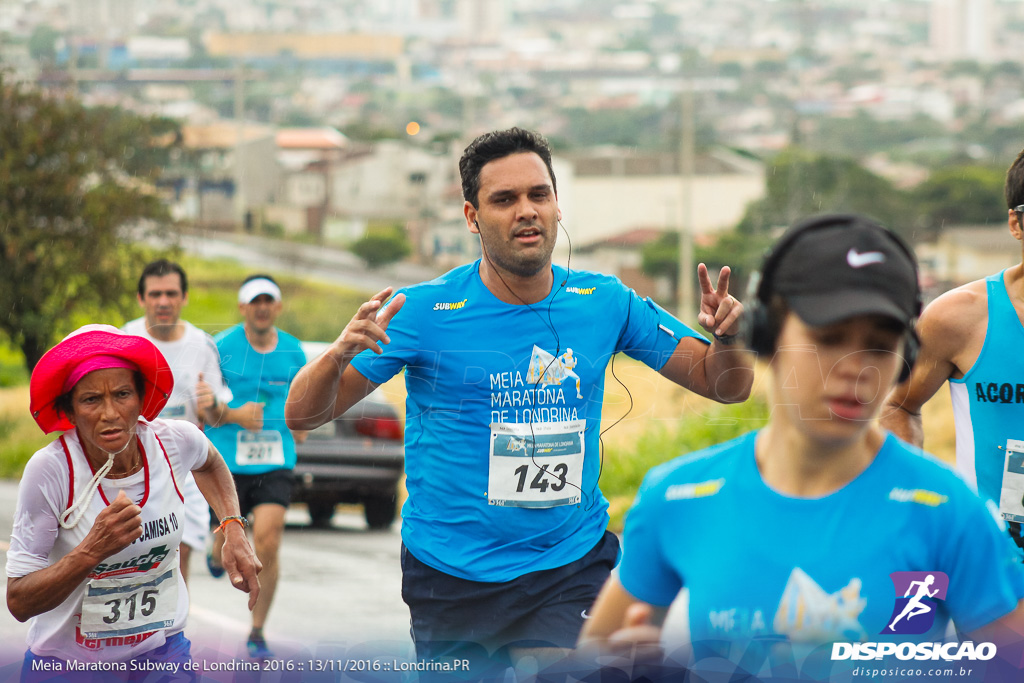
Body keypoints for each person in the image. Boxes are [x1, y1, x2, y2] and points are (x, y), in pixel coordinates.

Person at [285, 127, 754, 677]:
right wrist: (337, 355)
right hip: (450, 571)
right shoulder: (421, 311)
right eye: (504, 200)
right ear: (471, 216)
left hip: (567, 564)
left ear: (557, 203)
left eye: (539, 194)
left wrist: (727, 341)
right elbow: (302, 414)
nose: (526, 211)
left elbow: (725, 385)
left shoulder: (604, 302)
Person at [578, 214, 1024, 679]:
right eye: (828, 339)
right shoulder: (678, 499)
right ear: (768, 337)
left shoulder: (948, 511)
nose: (855, 367)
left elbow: (1007, 667)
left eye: (878, 345)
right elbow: (595, 661)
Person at [7, 325, 260, 679]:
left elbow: (211, 463)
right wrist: (91, 551)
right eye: (91, 399)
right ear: (70, 409)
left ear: (142, 397)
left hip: (160, 653)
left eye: (123, 394)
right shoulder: (51, 470)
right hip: (68, 666)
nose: (110, 413)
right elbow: (19, 601)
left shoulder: (175, 442)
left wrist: (233, 528)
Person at [882, 148, 1024, 559]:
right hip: (991, 564)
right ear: (1015, 223)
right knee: (909, 624)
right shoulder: (958, 317)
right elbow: (898, 405)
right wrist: (914, 502)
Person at [205, 274, 307, 660]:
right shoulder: (221, 348)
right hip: (226, 462)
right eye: (255, 301)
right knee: (224, 542)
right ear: (243, 307)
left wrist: (302, 427)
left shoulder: (294, 351)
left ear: (277, 307)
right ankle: (216, 554)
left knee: (270, 538)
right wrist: (234, 414)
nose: (262, 307)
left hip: (276, 458)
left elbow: (305, 400)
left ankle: (258, 630)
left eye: (269, 301)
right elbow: (207, 410)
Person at [122, 259, 237, 585]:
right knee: (138, 556)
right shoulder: (126, 339)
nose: (163, 301)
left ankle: (174, 631)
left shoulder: (201, 344)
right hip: (134, 464)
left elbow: (217, 415)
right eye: (155, 294)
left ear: (184, 297)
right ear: (141, 298)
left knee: (179, 552)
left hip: (184, 466)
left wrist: (211, 404)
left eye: (171, 293)